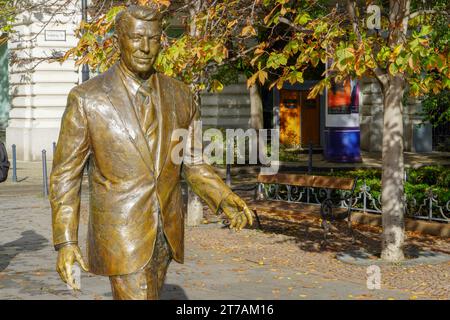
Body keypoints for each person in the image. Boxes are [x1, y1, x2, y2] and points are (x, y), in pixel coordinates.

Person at [50, 5, 253, 300]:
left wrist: (222, 197)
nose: (145, 48)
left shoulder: (180, 95)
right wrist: (66, 241)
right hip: (120, 232)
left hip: (166, 233)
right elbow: (65, 175)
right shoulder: (87, 99)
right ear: (119, 39)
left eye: (153, 39)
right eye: (135, 38)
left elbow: (192, 162)